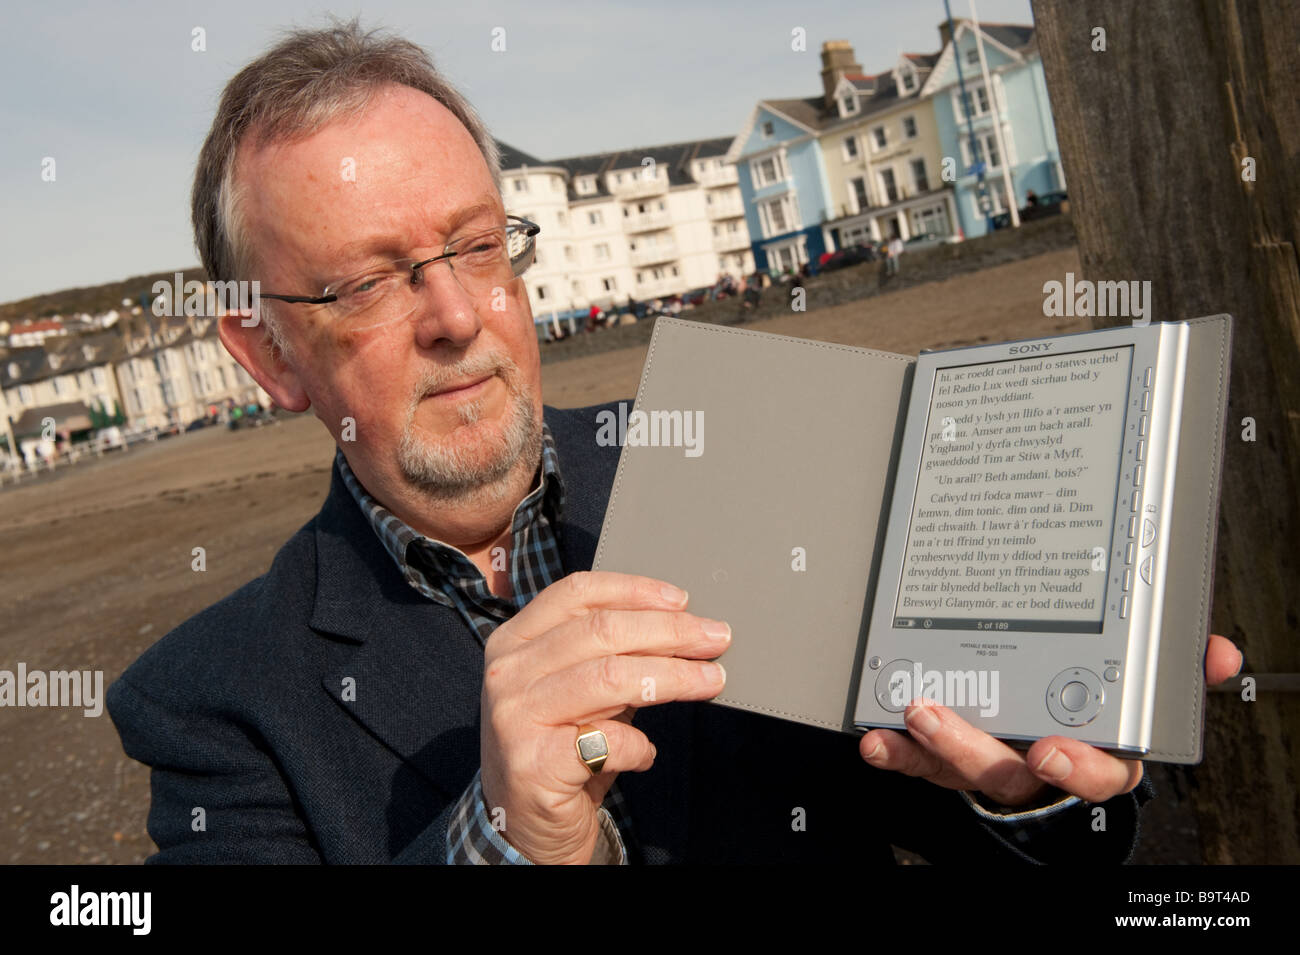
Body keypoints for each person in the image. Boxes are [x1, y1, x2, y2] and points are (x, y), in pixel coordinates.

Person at [107, 20, 1241, 865]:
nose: (459, 316)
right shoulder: (214, 701)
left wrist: (1030, 784)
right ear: (266, 357)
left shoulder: (742, 459)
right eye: (365, 282)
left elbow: (1023, 837)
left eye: (479, 245)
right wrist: (502, 842)